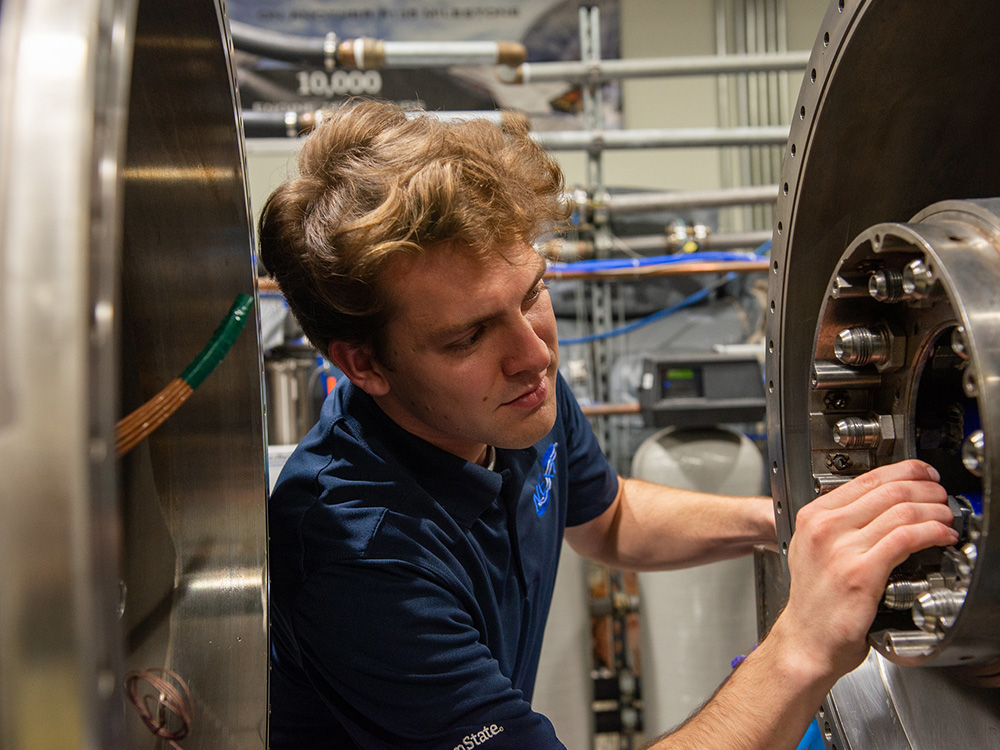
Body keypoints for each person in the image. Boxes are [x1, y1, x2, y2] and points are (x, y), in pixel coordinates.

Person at [258, 99, 957, 750]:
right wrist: (802, 645)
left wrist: (786, 519)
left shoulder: (510, 399)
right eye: (468, 337)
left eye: (532, 293)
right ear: (364, 365)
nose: (534, 355)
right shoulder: (354, 556)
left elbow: (609, 517)